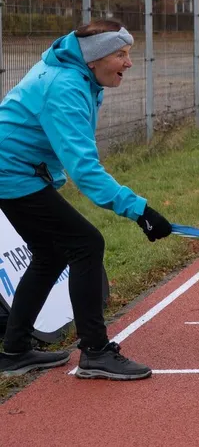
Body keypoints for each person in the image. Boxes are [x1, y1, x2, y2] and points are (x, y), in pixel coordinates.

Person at [0, 19, 173, 381]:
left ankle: (14, 350)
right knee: (86, 243)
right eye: (120, 55)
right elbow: (85, 169)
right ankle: (94, 352)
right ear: (93, 58)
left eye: (129, 54)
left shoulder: (78, 73)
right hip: (10, 173)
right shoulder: (65, 86)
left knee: (52, 253)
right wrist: (140, 210)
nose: (128, 62)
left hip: (19, 171)